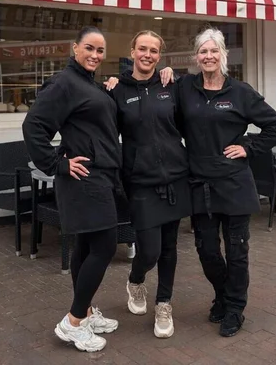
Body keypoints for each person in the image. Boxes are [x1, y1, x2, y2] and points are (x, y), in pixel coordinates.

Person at [172, 28, 276, 337]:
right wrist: (163, 73)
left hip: (234, 184)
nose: (208, 56)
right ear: (196, 57)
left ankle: (234, 308)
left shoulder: (241, 92)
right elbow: (156, 95)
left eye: (214, 51)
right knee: (206, 250)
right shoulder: (185, 88)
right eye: (203, 51)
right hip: (199, 184)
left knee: (237, 251)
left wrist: (248, 148)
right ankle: (222, 294)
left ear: (223, 55)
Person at [23, 26, 121, 353]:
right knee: (105, 246)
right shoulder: (64, 82)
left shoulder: (86, 84)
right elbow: (34, 126)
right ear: (74, 48)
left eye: (100, 50)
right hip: (83, 179)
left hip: (99, 177)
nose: (95, 55)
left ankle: (87, 311)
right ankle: (74, 321)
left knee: (85, 247)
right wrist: (57, 165)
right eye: (89, 48)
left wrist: (110, 90)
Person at [108, 30, 191, 338]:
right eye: (142, 48)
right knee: (150, 250)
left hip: (174, 179)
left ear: (159, 55)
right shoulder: (117, 91)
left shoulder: (172, 86)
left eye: (154, 50)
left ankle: (164, 304)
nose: (147, 54)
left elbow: (190, 121)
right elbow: (105, 134)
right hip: (140, 182)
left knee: (170, 248)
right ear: (132, 51)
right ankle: (135, 278)